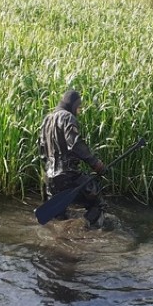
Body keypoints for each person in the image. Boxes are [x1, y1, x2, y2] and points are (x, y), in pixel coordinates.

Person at [38, 90, 107, 227]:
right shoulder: (68, 118)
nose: (79, 111)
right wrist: (95, 164)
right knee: (98, 202)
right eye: (78, 107)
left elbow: (41, 149)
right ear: (72, 105)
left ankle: (60, 238)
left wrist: (49, 172)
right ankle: (84, 230)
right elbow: (75, 143)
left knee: (58, 215)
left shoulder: (47, 120)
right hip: (69, 175)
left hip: (50, 177)